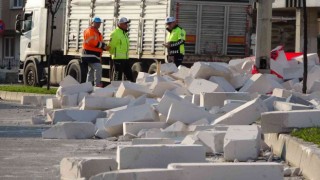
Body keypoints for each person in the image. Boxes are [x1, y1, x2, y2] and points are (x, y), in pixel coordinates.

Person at [82, 17, 107, 87]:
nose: (98, 24)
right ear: (92, 23)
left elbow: (100, 43)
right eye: (97, 22)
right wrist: (103, 46)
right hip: (89, 54)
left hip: (93, 55)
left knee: (91, 71)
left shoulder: (97, 33)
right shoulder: (89, 30)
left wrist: (104, 47)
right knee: (98, 68)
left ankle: (87, 86)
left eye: (99, 23)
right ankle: (97, 84)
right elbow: (92, 42)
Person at [106, 17, 133, 82]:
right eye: (125, 24)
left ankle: (129, 91)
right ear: (120, 24)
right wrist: (113, 54)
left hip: (125, 59)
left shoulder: (124, 33)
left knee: (130, 77)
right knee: (117, 77)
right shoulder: (115, 33)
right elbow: (111, 46)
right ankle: (115, 90)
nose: (127, 25)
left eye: (127, 24)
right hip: (118, 59)